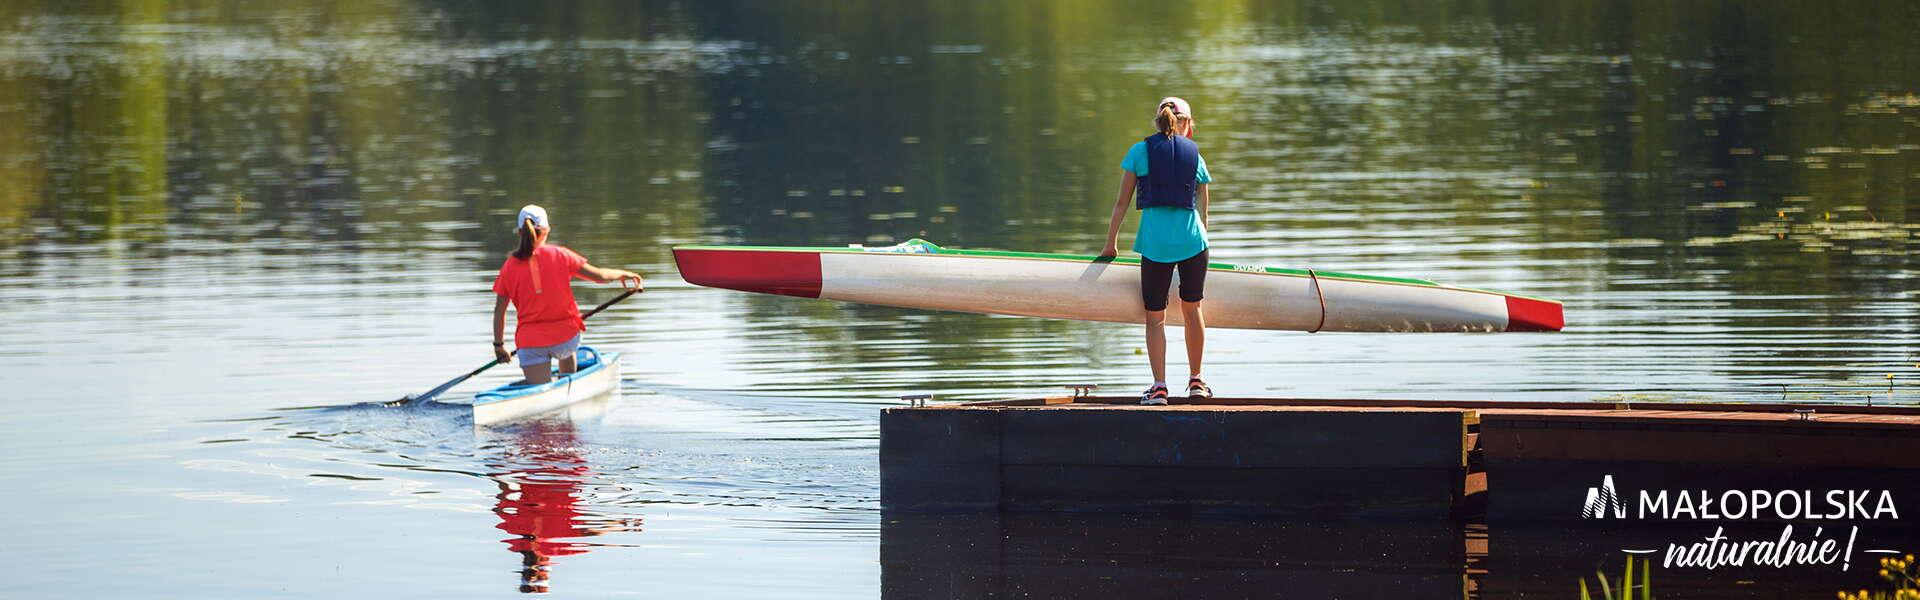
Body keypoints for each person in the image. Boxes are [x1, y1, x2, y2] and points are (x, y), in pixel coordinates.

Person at [1100, 97, 1214, 406]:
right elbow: (1204, 202)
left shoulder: (1139, 152)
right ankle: (1196, 381)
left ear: (1158, 121)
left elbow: (1121, 202)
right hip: (1193, 244)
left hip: (1155, 245)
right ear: (1188, 126)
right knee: (1193, 310)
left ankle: (1160, 387)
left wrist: (1111, 243)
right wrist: (1205, 235)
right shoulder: (1196, 155)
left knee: (1156, 318)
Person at [491, 205, 642, 384]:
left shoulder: (509, 266)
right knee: (568, 351)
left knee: (540, 390)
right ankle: (568, 380)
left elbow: (499, 311)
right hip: (565, 338)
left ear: (520, 232)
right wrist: (623, 274)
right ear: (546, 230)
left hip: (530, 342)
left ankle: (545, 390)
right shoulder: (561, 255)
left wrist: (499, 346)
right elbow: (600, 276)